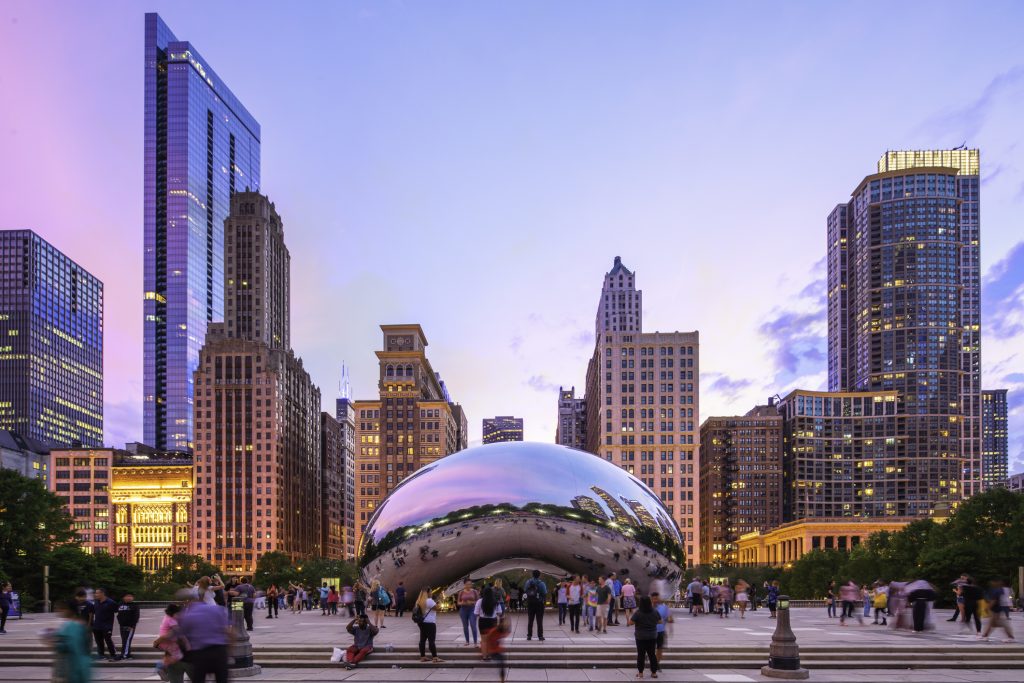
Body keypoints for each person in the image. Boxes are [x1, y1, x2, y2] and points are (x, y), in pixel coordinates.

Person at [177, 595, 231, 683]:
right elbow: (230, 632)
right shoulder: (218, 610)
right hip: (219, 652)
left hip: (200, 654)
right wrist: (228, 650)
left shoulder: (187, 615)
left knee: (198, 679)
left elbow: (180, 637)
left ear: (189, 601)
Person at [49, 600, 92, 683]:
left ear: (69, 610)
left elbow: (75, 650)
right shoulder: (75, 625)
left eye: (62, 609)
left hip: (70, 671)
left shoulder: (73, 626)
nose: (59, 611)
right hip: (70, 670)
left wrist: (54, 643)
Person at [154, 604, 192, 683]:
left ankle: (162, 667)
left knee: (173, 656)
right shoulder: (173, 621)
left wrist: (157, 642)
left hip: (169, 645)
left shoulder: (169, 618)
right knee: (177, 655)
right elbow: (171, 634)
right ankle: (161, 667)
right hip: (187, 657)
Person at [628, 595, 662, 679]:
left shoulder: (638, 612)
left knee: (641, 655)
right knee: (652, 655)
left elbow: (630, 622)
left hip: (640, 637)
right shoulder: (654, 611)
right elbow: (660, 621)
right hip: (652, 636)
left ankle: (640, 673)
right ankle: (654, 673)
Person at [412, 589, 445, 664]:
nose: (431, 593)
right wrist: (440, 602)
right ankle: (435, 657)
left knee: (422, 640)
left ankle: (422, 656)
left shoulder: (419, 601)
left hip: (421, 622)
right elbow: (437, 608)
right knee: (431, 640)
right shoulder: (429, 600)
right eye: (430, 592)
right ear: (427, 593)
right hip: (430, 623)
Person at [475, 586, 504, 661]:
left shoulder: (480, 601)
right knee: (490, 640)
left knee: (483, 640)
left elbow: (476, 613)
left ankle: (484, 657)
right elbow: (500, 612)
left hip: (482, 621)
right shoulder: (496, 602)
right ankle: (490, 656)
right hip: (492, 621)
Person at [89, 588, 118, 662]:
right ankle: (101, 655)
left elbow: (117, 611)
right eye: (96, 593)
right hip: (97, 625)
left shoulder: (111, 602)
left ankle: (113, 655)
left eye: (97, 593)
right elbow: (92, 612)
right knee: (99, 641)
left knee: (108, 640)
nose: (96, 595)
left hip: (107, 625)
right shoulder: (96, 602)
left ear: (102, 593)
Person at [114, 592, 139, 660]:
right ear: (123, 597)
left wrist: (132, 625)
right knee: (124, 640)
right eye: (127, 596)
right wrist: (120, 622)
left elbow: (136, 616)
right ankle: (126, 653)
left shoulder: (135, 605)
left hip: (130, 626)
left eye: (131, 596)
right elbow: (118, 615)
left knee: (127, 640)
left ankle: (125, 655)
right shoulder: (120, 604)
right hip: (122, 625)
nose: (129, 597)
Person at [524, 570, 547, 641]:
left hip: (530, 603)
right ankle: (540, 636)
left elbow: (525, 590)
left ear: (532, 575)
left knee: (530, 620)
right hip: (539, 603)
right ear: (539, 575)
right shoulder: (541, 583)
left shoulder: (528, 582)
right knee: (539, 620)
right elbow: (544, 592)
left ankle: (529, 636)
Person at [457, 579, 480, 647]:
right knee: (465, 626)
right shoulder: (461, 592)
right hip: (463, 610)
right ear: (464, 585)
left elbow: (478, 602)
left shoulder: (474, 591)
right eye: (467, 584)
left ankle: (475, 642)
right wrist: (462, 603)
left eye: (470, 584)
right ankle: (467, 641)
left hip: (472, 610)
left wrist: (472, 602)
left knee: (473, 625)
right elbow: (458, 602)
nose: (469, 585)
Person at [651, 592, 673, 661]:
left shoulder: (664, 608)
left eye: (656, 599)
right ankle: (652, 661)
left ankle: (656, 664)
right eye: (654, 599)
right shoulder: (647, 608)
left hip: (660, 631)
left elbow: (670, 618)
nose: (655, 600)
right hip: (650, 632)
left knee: (659, 648)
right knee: (650, 648)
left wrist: (671, 628)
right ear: (651, 599)